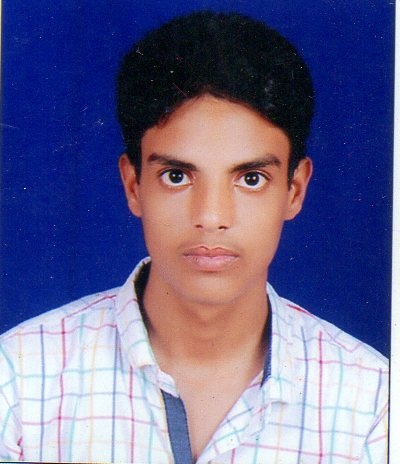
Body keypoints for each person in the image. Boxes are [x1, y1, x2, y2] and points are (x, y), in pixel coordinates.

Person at [0, 11, 388, 463]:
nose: (211, 217)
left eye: (251, 179)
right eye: (177, 175)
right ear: (133, 185)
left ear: (294, 190)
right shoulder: (18, 382)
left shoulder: (373, 403)